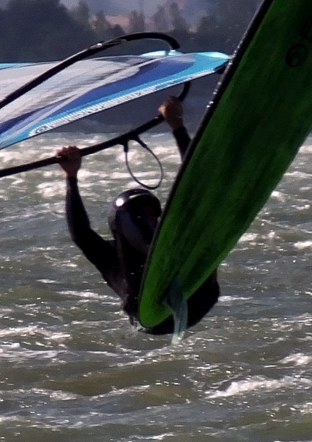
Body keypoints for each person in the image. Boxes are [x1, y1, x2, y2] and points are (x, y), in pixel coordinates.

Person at [56, 97, 219, 334]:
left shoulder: (174, 237)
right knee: (133, 212)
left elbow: (196, 186)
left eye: (151, 215)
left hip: (199, 298)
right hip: (152, 318)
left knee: (199, 209)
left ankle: (169, 274)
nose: (148, 220)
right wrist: (70, 177)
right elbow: (81, 234)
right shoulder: (113, 257)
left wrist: (177, 127)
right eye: (141, 216)